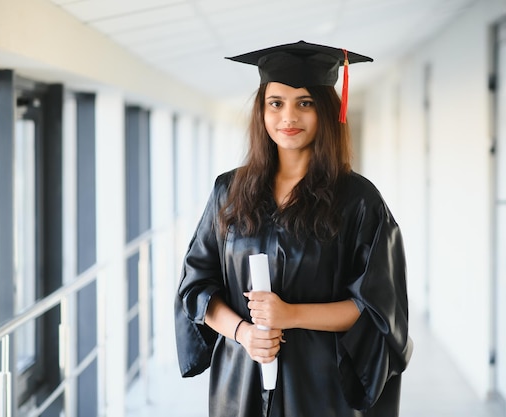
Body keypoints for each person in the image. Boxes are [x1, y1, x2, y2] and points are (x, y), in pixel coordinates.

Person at [174, 40, 413, 417]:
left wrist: (291, 315)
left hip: (321, 386)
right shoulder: (228, 192)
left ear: (327, 111)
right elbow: (196, 286)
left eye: (305, 103)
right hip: (242, 380)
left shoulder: (358, 200)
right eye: (276, 103)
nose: (289, 117)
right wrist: (244, 333)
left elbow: (376, 306)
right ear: (262, 110)